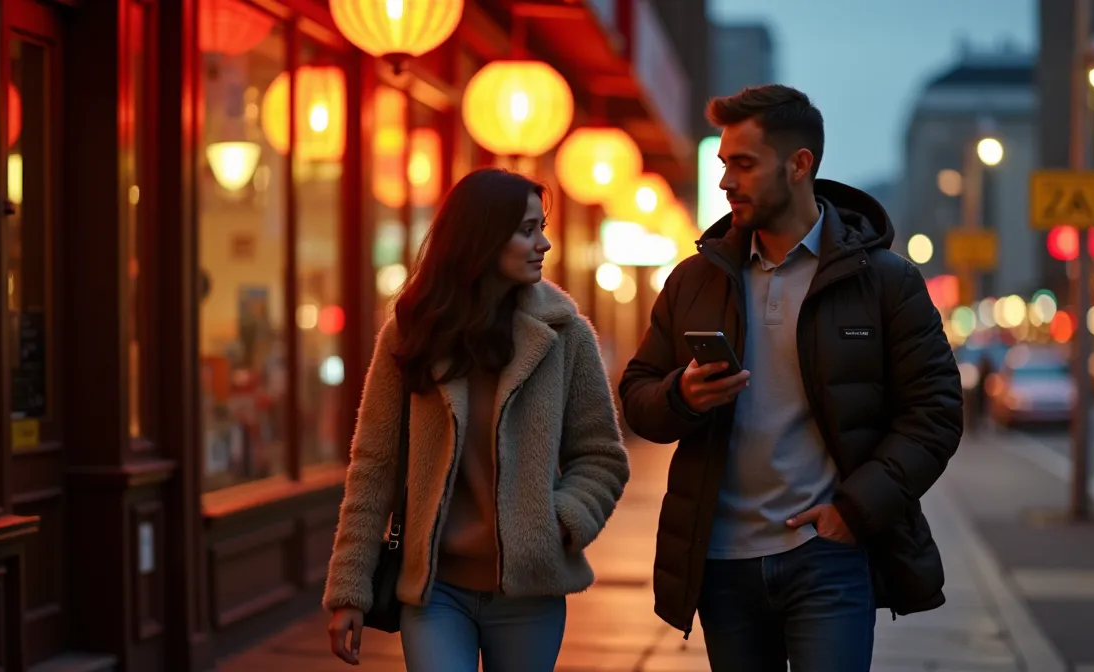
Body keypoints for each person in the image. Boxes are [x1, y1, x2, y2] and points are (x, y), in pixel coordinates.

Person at [619, 84, 963, 672]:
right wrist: (681, 394)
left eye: (744, 164)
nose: (726, 181)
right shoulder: (694, 280)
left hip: (827, 557)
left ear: (799, 165)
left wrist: (854, 512)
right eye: (725, 164)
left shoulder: (886, 281)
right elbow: (636, 397)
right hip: (722, 559)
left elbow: (935, 413)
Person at [323, 167, 630, 671]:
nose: (544, 245)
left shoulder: (566, 335)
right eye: (527, 230)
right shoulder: (411, 333)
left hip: (529, 593)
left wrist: (558, 523)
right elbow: (373, 466)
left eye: (543, 228)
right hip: (434, 589)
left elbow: (601, 456)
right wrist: (349, 590)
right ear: (481, 239)